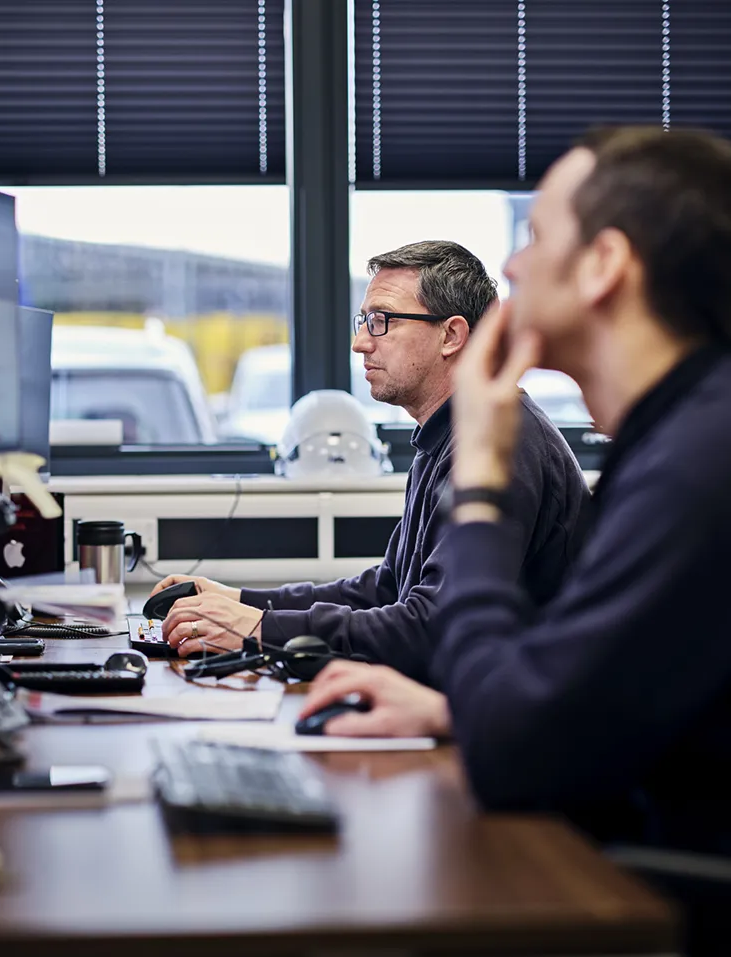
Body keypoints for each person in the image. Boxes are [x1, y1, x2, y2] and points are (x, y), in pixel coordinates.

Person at [299, 126, 731, 861]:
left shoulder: (696, 464)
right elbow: (590, 703)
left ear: (604, 265)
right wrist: (453, 710)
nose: (512, 263)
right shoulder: (677, 436)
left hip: (648, 893)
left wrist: (484, 494)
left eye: (536, 236)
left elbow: (513, 754)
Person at [153, 241, 590, 682]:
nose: (360, 342)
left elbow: (431, 627)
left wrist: (260, 629)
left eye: (381, 322)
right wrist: (245, 602)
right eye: (364, 321)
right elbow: (386, 589)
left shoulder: (502, 444)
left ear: (451, 336)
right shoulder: (447, 435)